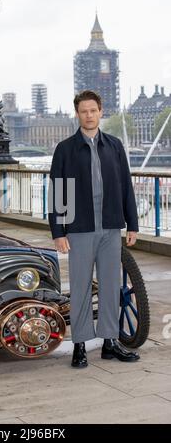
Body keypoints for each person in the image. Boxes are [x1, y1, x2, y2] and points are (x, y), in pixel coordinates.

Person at [48, 90, 140, 368]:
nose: (89, 115)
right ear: (77, 114)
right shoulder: (65, 149)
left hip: (111, 227)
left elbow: (125, 186)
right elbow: (59, 192)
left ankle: (110, 342)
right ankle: (80, 345)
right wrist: (59, 231)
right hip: (80, 229)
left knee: (111, 286)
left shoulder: (114, 146)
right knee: (80, 288)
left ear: (101, 112)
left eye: (93, 110)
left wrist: (132, 223)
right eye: (83, 111)